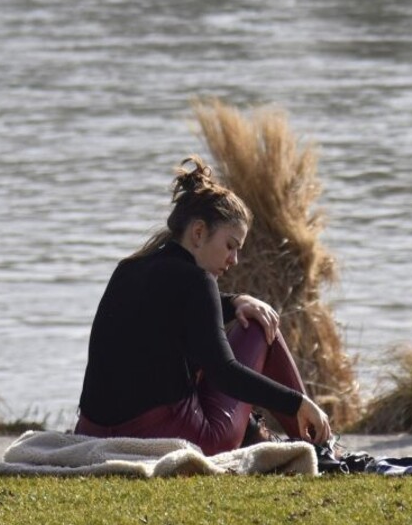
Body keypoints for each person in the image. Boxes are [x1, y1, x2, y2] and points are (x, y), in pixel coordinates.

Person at [75, 156, 331, 455]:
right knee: (260, 325)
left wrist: (234, 301)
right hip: (167, 437)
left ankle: (280, 437)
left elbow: (172, 309)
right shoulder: (197, 281)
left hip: (92, 432)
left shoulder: (128, 269)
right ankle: (319, 446)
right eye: (230, 246)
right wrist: (297, 402)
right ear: (198, 233)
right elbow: (224, 373)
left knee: (231, 330)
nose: (234, 260)